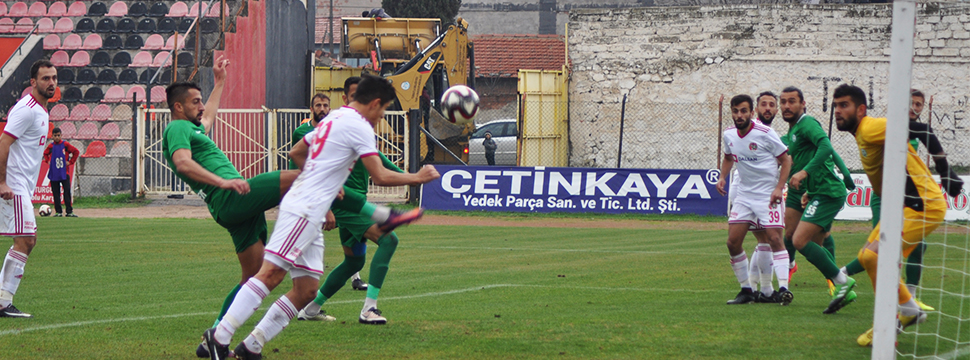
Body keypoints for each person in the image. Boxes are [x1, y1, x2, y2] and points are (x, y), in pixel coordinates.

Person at [163, 58, 421, 358]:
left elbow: (208, 120)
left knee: (260, 278)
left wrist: (219, 83)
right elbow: (182, 162)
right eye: (195, 102)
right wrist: (221, 182)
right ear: (178, 107)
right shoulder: (177, 128)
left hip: (235, 207)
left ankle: (229, 338)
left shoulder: (195, 128)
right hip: (232, 196)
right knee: (307, 176)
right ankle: (381, 215)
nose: (202, 107)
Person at [831, 84, 963, 346]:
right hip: (901, 207)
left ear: (860, 109)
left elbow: (922, 130)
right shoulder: (863, 134)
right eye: (835, 106)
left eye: (843, 105)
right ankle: (908, 309)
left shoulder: (869, 127)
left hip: (922, 205)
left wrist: (946, 171)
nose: (837, 111)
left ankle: (893, 319)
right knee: (867, 257)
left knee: (874, 256)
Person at [297, 78, 408, 324]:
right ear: (347, 98)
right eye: (357, 95)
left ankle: (311, 309)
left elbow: (379, 161)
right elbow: (298, 154)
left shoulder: (359, 128)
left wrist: (409, 177)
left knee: (354, 261)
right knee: (389, 240)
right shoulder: (340, 126)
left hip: (355, 201)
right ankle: (369, 309)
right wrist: (326, 205)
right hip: (345, 201)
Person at [841, 89, 940, 312]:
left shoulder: (910, 134)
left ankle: (909, 298)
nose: (915, 108)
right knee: (881, 249)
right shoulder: (885, 127)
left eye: (919, 104)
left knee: (917, 245)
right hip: (884, 198)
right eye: (911, 103)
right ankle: (842, 275)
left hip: (906, 200)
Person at [776, 86, 857, 315]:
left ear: (803, 104)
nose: (786, 106)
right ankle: (841, 287)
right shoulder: (793, 131)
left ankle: (841, 281)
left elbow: (826, 147)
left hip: (828, 192)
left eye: (791, 101)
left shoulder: (808, 123)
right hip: (816, 191)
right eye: (783, 102)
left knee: (801, 240)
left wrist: (805, 173)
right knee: (804, 239)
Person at [716, 94, 793, 306]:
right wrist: (722, 177)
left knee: (775, 240)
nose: (738, 115)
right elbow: (728, 156)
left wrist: (779, 188)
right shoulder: (729, 134)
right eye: (735, 111)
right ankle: (747, 290)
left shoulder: (766, 133)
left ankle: (784, 288)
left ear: (752, 113)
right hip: (744, 195)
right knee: (732, 243)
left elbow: (786, 160)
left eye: (743, 111)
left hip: (767, 195)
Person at [289, 90, 369, 292]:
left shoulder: (334, 130)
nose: (322, 109)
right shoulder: (302, 133)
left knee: (351, 235)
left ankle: (355, 275)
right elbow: (301, 165)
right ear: (311, 109)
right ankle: (293, 273)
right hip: (313, 195)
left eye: (325, 105)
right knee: (307, 235)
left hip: (337, 192)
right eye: (318, 106)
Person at [0, 59, 58, 318]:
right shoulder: (27, 109)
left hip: (22, 185)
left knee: (26, 239)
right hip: (13, 184)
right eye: (45, 78)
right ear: (33, 82)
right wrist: (2, 182)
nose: (51, 83)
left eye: (54, 78)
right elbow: (3, 144)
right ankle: (3, 301)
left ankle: (2, 299)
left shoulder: (42, 111)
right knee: (26, 239)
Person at [740, 91, 783, 302]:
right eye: (763, 105)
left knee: (764, 239)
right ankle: (763, 290)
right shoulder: (753, 129)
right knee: (764, 239)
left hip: (761, 192)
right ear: (756, 109)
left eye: (772, 105)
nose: (768, 108)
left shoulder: (767, 132)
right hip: (749, 192)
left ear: (777, 109)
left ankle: (757, 288)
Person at [42, 127, 79, 217]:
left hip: (64, 172)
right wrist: (47, 161)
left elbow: (76, 152)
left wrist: (70, 162)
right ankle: (58, 211)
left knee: (67, 191)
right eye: (55, 136)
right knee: (56, 193)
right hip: (54, 173)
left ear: (61, 135)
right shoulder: (51, 146)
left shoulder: (65, 145)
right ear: (52, 136)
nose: (57, 137)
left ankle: (69, 211)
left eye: (58, 135)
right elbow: (45, 153)